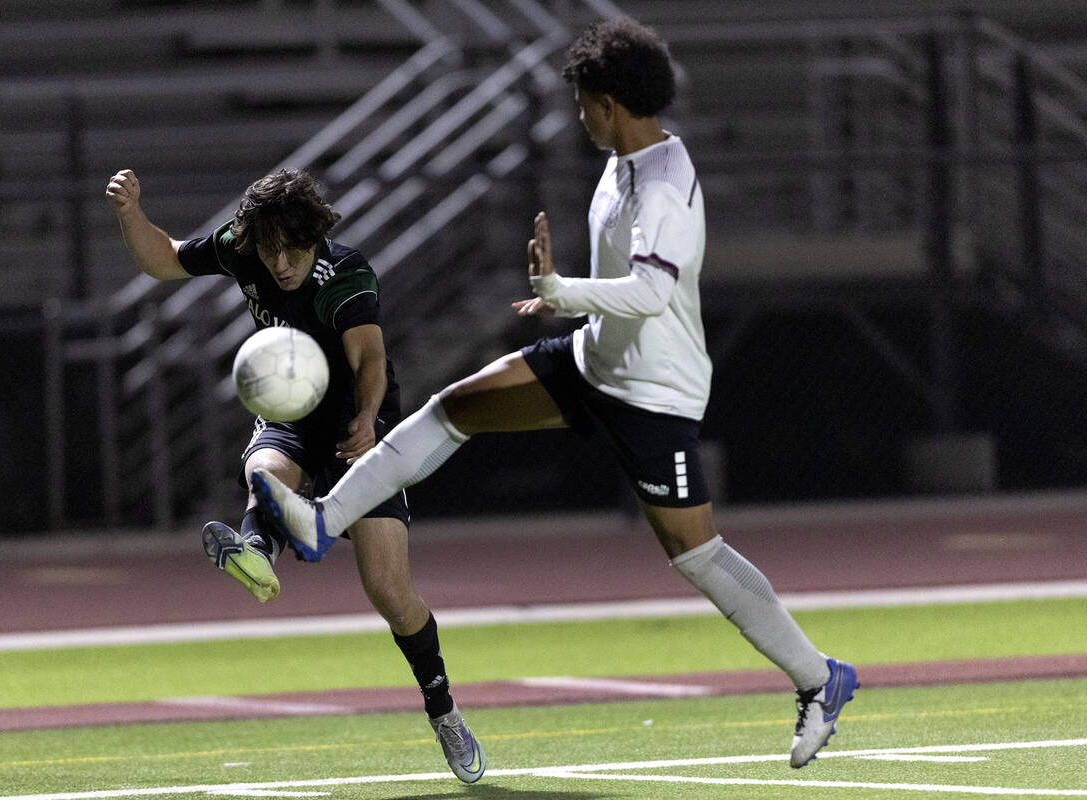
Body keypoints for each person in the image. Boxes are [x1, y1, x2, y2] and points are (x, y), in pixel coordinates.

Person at [248, 17, 858, 769]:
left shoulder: (664, 183)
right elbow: (624, 287)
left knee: (694, 553)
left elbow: (652, 293)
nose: (577, 114)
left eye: (582, 102)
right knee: (454, 407)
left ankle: (818, 677)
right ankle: (321, 521)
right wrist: (563, 301)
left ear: (609, 102)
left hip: (653, 393)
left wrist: (561, 289)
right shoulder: (624, 162)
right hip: (594, 361)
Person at [104, 167, 485, 784]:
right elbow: (166, 259)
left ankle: (442, 706)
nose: (280, 263)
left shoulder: (347, 274)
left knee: (390, 592)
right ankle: (258, 548)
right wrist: (129, 214)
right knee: (262, 467)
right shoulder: (245, 245)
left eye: (294, 249)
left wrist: (366, 420)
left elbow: (371, 356)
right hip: (292, 409)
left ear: (314, 236)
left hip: (358, 425)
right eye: (270, 248)